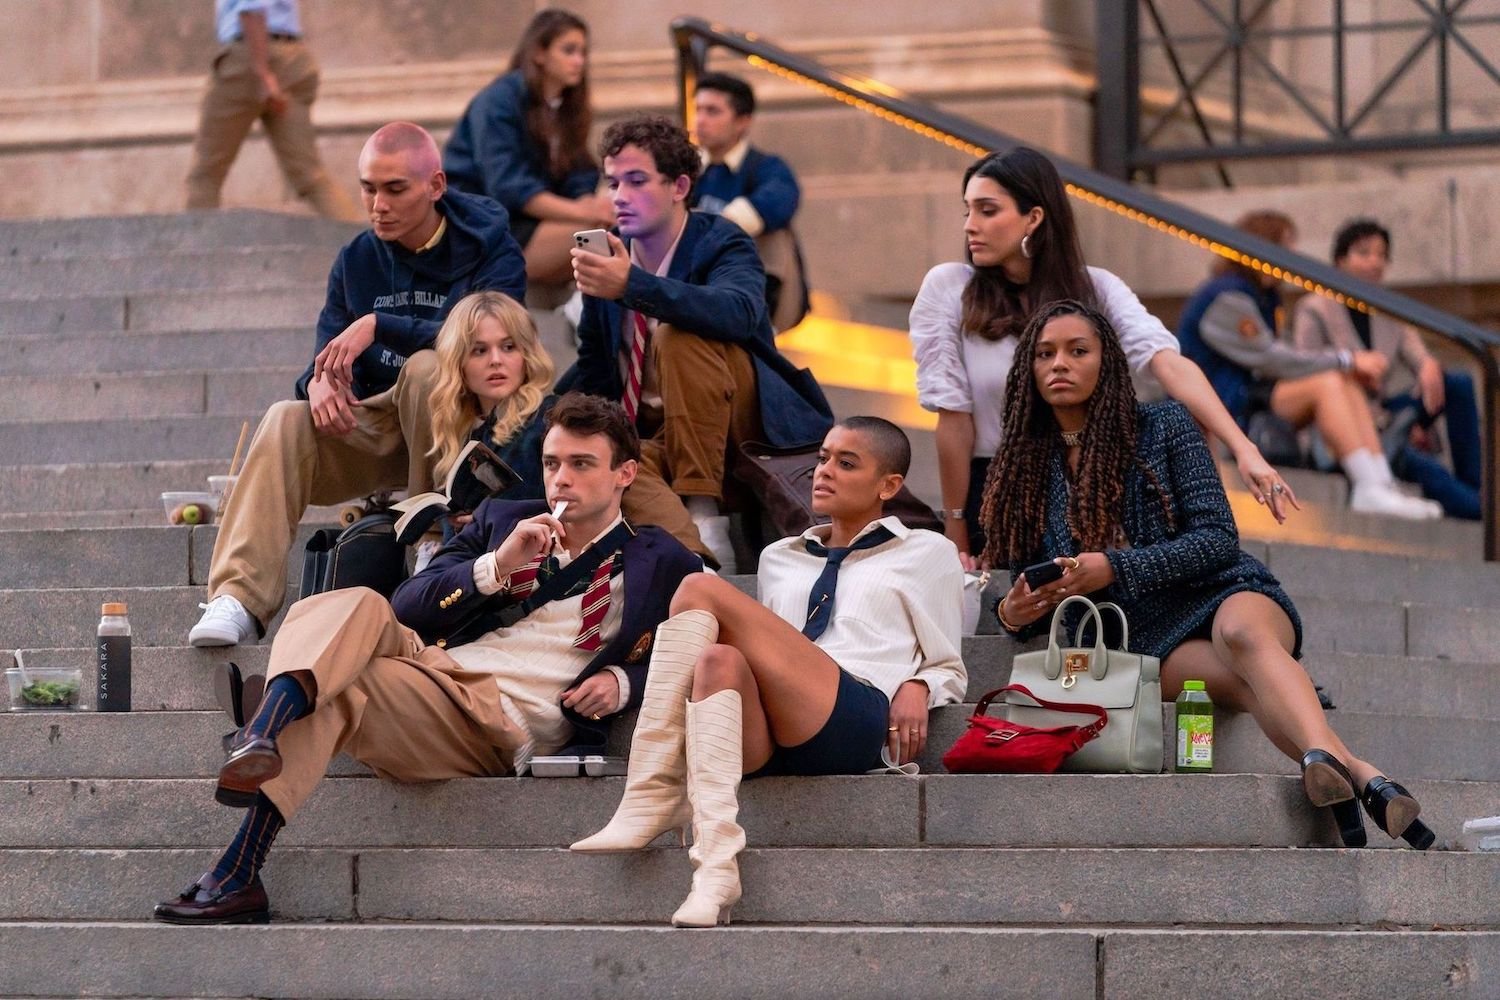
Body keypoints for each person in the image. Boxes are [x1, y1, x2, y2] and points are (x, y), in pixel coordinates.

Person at [154, 393, 704, 924]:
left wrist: (626, 681)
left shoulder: (660, 559)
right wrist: (494, 566)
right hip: (430, 666)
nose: (561, 479)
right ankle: (266, 735)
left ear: (625, 474)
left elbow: (711, 635)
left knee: (342, 690)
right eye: (552, 462)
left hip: (493, 717)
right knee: (355, 603)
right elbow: (408, 607)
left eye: (583, 464)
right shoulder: (502, 519)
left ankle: (253, 803)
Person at [980, 298, 1435, 852]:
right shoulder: (1025, 469)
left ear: (1108, 362)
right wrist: (1012, 611)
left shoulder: (1164, 425)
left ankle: (1333, 764)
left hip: (1225, 591)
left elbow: (1217, 539)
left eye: (1078, 351)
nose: (1060, 364)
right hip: (1145, 637)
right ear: (1028, 368)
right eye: (1046, 354)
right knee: (1245, 682)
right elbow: (1028, 588)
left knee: (1243, 638)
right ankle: (1360, 775)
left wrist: (1114, 566)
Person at [572, 416, 966, 927]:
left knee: (699, 589)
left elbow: (949, 664)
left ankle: (654, 787)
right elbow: (767, 654)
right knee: (717, 659)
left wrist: (919, 684)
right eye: (823, 458)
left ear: (888, 485)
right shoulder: (780, 557)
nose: (823, 471)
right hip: (775, 731)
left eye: (847, 463)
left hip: (855, 716)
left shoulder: (926, 552)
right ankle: (715, 871)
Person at [188, 122, 527, 647]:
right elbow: (327, 353)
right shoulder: (357, 259)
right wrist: (319, 384)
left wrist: (381, 324)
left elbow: (498, 339)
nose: (377, 204)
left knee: (425, 368)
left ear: (435, 186)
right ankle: (238, 597)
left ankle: (432, 542)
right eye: (368, 187)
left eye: (395, 189)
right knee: (286, 416)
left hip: (466, 436)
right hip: (383, 425)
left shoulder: (491, 246)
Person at [909, 147, 1299, 570]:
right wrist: (957, 528)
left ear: (1034, 218)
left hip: (1089, 484)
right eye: (967, 211)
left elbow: (1166, 362)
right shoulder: (950, 287)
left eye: (987, 211)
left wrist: (1243, 448)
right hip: (1002, 494)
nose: (970, 226)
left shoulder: (1095, 288)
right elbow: (953, 418)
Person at [568, 114, 834, 572]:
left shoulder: (720, 239)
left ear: (679, 186)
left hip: (737, 419)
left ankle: (704, 510)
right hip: (658, 429)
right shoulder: (609, 258)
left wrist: (632, 286)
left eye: (636, 181)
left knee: (678, 335)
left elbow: (740, 313)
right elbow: (594, 367)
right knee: (609, 464)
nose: (620, 197)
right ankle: (701, 558)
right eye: (612, 183)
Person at [1177, 210, 1439, 521]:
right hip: (1220, 407)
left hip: (1249, 398)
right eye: (1285, 246)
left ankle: (1379, 481)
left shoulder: (1263, 296)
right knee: (1329, 380)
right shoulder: (1226, 295)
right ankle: (1368, 484)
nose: (1292, 257)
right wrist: (1346, 359)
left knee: (1342, 380)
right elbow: (1270, 358)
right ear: (1263, 246)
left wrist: (1345, 366)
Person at [1292, 218, 1482, 520]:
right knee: (1430, 473)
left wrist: (1429, 366)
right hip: (1344, 418)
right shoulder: (1315, 308)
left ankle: (1477, 485)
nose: (1375, 262)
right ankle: (1481, 509)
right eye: (1364, 253)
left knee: (1456, 382)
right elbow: (1303, 364)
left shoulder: (1387, 309)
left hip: (1384, 413)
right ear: (1340, 259)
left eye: (1381, 255)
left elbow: (1417, 353)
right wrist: (1352, 363)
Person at [444, 8, 613, 285]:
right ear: (539, 53)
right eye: (569, 50)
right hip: (486, 228)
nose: (579, 61)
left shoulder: (564, 106)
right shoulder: (499, 101)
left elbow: (577, 169)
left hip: (533, 223)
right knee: (596, 231)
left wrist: (583, 197)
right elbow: (510, 187)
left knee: (615, 229)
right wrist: (585, 211)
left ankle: (593, 311)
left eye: (583, 52)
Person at [185, 0, 360, 220]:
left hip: (249, 57)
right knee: (310, 177)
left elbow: (252, 8)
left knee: (205, 175)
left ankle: (196, 252)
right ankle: (365, 251)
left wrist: (262, 72)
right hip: (292, 55)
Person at [690, 72, 809, 331]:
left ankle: (758, 326)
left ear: (742, 121)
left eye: (712, 111)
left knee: (774, 235)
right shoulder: (686, 168)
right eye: (697, 109)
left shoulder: (767, 167)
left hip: (746, 285)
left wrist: (709, 226)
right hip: (691, 280)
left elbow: (778, 201)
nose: (700, 120)